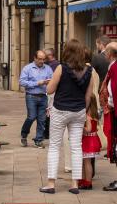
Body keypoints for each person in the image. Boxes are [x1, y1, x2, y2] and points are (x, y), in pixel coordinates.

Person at [40, 39, 95, 195]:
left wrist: (50, 84)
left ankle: (51, 184)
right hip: (78, 112)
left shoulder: (61, 68)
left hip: (60, 110)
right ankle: (74, 183)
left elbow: (50, 90)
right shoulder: (89, 71)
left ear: (68, 52)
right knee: (76, 148)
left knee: (55, 146)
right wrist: (83, 113)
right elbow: (88, 97)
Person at [18, 50, 53, 148]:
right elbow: (22, 82)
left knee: (42, 120)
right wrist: (37, 83)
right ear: (35, 58)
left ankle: (38, 140)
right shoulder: (28, 68)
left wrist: (49, 82)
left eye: (43, 59)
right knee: (31, 117)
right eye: (40, 59)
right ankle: (24, 135)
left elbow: (53, 79)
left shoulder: (48, 69)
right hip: (31, 96)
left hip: (43, 96)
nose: (42, 61)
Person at [80, 94, 102, 190]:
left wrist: (81, 128)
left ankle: (88, 182)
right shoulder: (95, 114)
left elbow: (88, 129)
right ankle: (85, 180)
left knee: (87, 162)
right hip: (94, 139)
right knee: (86, 161)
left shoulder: (88, 115)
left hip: (88, 141)